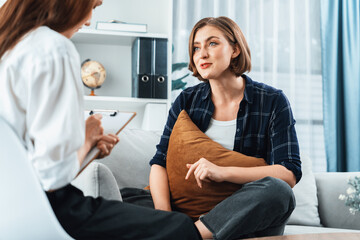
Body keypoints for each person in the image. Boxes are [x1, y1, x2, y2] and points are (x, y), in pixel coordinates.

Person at [0, 0, 201, 239]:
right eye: (93, 6)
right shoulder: (53, 48)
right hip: (49, 210)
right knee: (181, 228)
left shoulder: (11, 46)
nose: (88, 21)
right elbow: (52, 179)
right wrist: (85, 140)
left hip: (11, 207)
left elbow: (34, 165)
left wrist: (88, 148)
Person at [148, 16, 302, 239]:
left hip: (244, 217)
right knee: (125, 201)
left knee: (279, 192)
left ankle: (189, 236)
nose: (202, 54)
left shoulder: (272, 100)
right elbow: (159, 163)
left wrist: (222, 172)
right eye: (196, 47)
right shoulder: (186, 100)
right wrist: (164, 218)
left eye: (212, 43)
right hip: (185, 214)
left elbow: (288, 172)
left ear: (235, 50)